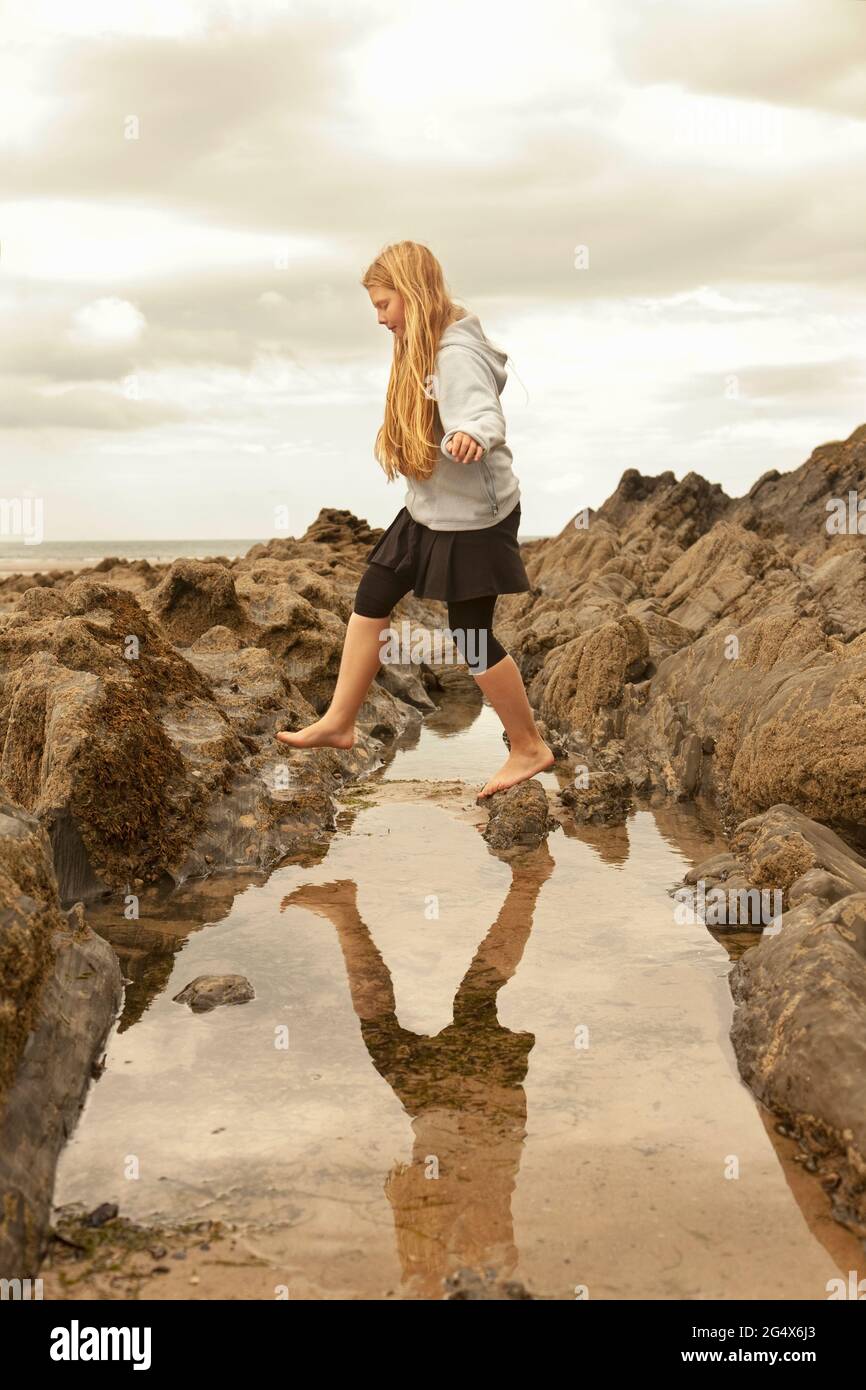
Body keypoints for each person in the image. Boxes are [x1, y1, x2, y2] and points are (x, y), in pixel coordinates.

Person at [276, 240, 554, 799]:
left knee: (472, 637)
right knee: (373, 594)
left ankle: (528, 746)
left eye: (384, 305)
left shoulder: (454, 354)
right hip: (428, 509)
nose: (380, 318)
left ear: (413, 293)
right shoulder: (419, 344)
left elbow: (482, 410)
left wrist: (471, 432)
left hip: (474, 518)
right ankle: (340, 721)